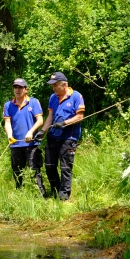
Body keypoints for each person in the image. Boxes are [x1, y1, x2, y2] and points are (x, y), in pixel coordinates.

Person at [34, 72, 85, 201]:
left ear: (64, 84)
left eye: (56, 85)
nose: (53, 88)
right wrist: (43, 131)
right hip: (52, 137)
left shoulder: (76, 96)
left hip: (68, 138)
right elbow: (50, 117)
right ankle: (56, 191)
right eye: (52, 85)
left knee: (65, 168)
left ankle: (64, 197)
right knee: (49, 166)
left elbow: (80, 116)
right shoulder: (53, 98)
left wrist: (64, 123)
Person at [3, 78, 47, 197]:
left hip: (32, 144)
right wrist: (10, 135)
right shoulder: (8, 105)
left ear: (25, 89)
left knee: (34, 170)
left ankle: (40, 196)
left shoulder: (33, 102)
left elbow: (40, 120)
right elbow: (7, 123)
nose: (17, 90)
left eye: (20, 87)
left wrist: (31, 132)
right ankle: (20, 195)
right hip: (15, 144)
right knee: (17, 171)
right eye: (15, 87)